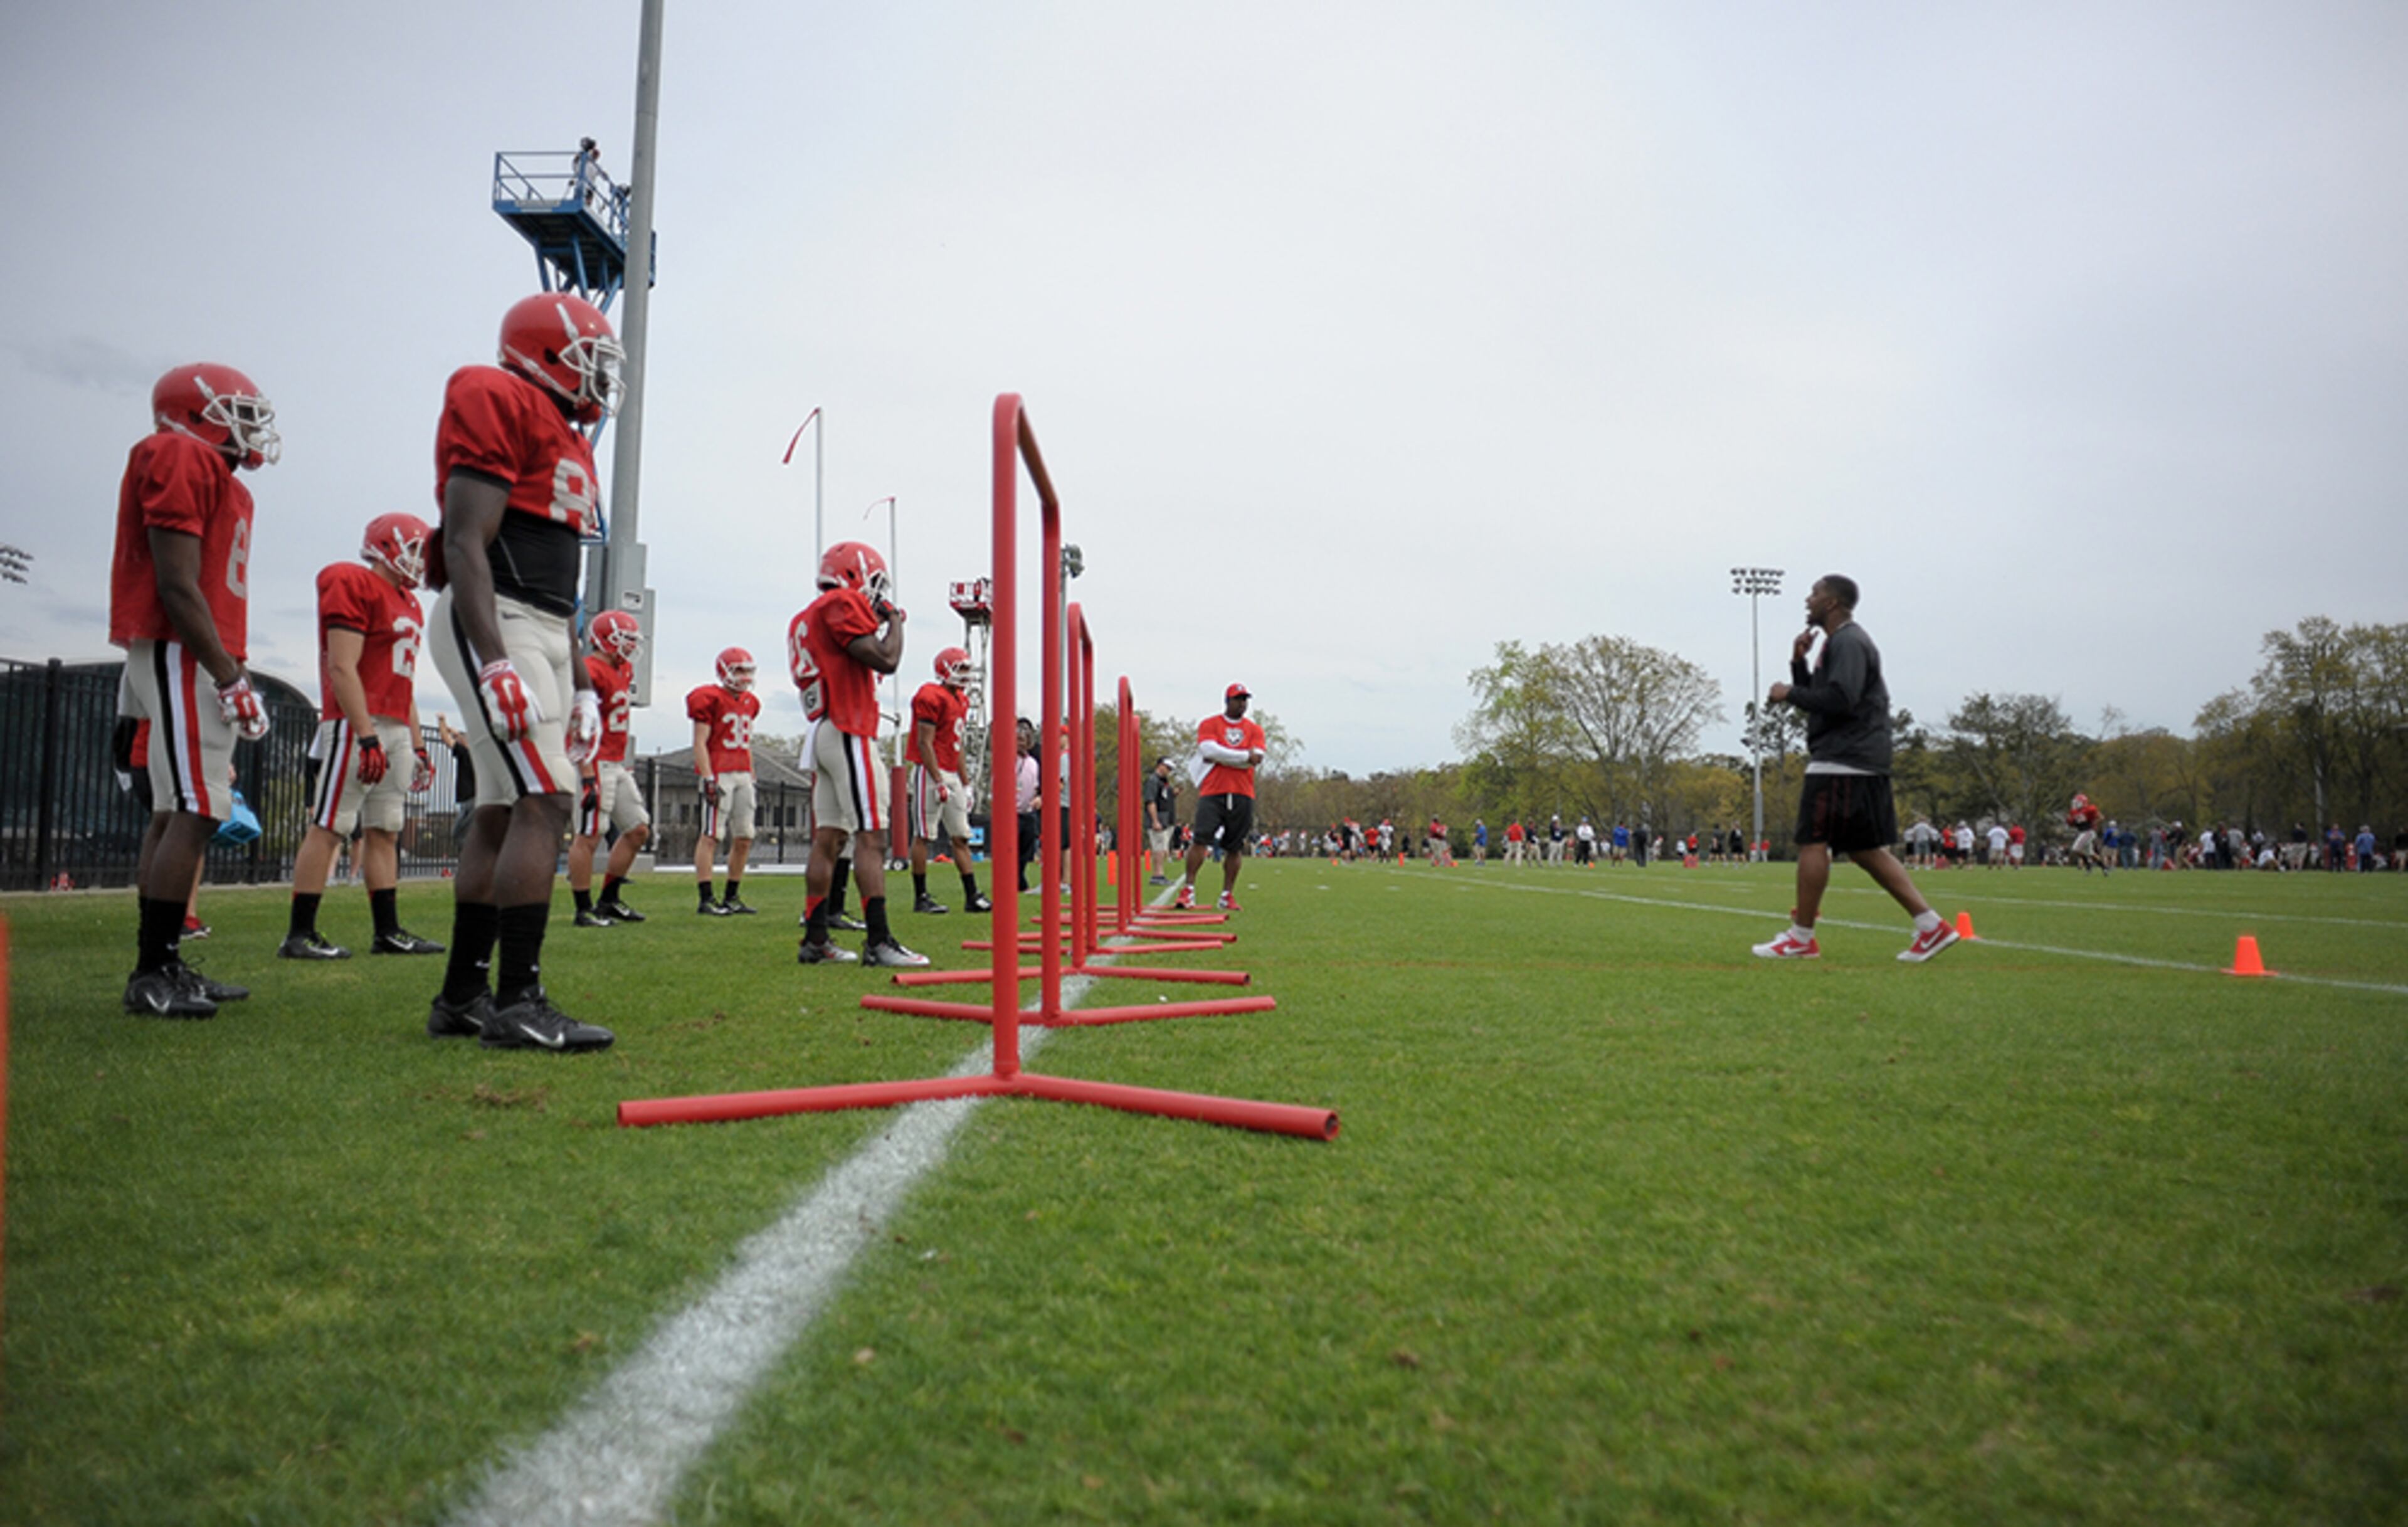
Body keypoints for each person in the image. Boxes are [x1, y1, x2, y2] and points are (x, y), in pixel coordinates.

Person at [422, 292, 620, 1052]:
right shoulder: (495, 391)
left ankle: (464, 994)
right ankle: (517, 999)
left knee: (505, 807)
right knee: (547, 796)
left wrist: (577, 679)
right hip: (494, 613)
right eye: (591, 358)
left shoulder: (568, 435)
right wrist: (496, 655)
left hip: (538, 622)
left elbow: (557, 578)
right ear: (549, 352)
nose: (600, 377)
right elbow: (466, 540)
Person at [110, 362, 281, 1018]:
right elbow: (176, 583)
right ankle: (153, 971)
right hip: (183, 648)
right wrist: (229, 673)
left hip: (195, 650)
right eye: (237, 410)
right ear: (197, 411)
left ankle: (164, 964)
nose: (250, 425)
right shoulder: (178, 451)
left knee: (175, 810)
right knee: (199, 807)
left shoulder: (223, 482)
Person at [1751, 574, 1957, 963]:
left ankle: (1801, 937)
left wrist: (1789, 691)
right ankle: (1932, 926)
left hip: (1843, 758)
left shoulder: (1847, 641)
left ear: (1831, 603)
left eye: (1814, 594)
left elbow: (1841, 699)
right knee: (1865, 850)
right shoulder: (1842, 642)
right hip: (1859, 758)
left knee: (1813, 841)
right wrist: (1799, 666)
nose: (1807, 600)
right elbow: (1825, 697)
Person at [282, 513, 445, 960]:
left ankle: (387, 931)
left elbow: (404, 681)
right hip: (358, 724)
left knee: (386, 829)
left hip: (392, 724)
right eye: (412, 549)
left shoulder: (409, 602)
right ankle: (299, 933)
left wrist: (416, 743)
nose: (418, 561)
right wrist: (366, 733)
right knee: (331, 826)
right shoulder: (353, 582)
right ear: (386, 546)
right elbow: (341, 666)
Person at [792, 540, 924, 966]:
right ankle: (879, 940)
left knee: (829, 837)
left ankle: (815, 938)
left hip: (824, 732)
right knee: (872, 835)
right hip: (849, 729)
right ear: (855, 574)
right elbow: (887, 659)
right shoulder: (843, 602)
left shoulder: (805, 617)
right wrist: (895, 620)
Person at [568, 610, 652, 927]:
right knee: (588, 835)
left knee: (638, 829)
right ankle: (582, 907)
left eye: (632, 640)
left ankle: (609, 900)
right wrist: (587, 774)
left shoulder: (623, 669)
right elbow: (579, 725)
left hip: (616, 762)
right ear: (605, 638)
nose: (630, 646)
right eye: (625, 639)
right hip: (595, 760)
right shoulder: (590, 670)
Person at [904, 645, 991, 914]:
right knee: (924, 835)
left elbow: (957, 744)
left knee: (961, 837)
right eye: (962, 669)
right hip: (929, 771)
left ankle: (972, 896)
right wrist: (938, 779)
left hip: (951, 772)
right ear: (945, 670)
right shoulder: (930, 696)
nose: (966, 675)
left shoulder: (962, 700)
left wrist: (965, 784)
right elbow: (925, 743)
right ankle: (921, 898)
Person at [1175, 683, 1267, 911]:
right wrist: (1244, 756)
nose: (1242, 704)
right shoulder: (1210, 724)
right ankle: (1189, 889)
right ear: (1227, 701)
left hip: (1243, 792)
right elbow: (1209, 751)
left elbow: (1258, 757)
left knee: (1235, 847)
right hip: (1213, 791)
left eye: (1245, 699)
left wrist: (1224, 756)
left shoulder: (1255, 729)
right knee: (1200, 839)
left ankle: (1227, 894)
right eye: (1238, 699)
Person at [688, 647, 761, 915]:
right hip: (719, 772)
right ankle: (706, 898)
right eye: (739, 670)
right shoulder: (709, 698)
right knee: (712, 835)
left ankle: (732, 896)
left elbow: (747, 743)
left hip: (742, 773)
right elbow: (700, 742)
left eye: (748, 670)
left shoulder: (751, 702)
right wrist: (708, 777)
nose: (744, 677)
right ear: (724, 671)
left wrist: (751, 772)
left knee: (745, 836)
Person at [1143, 756, 1178, 884]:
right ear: (1160, 766)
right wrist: (1155, 820)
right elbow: (1151, 801)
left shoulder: (1164, 782)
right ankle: (1157, 875)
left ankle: (1160, 875)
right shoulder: (1153, 781)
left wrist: (1173, 794)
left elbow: (1163, 798)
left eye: (1170, 769)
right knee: (1159, 849)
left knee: (1163, 849)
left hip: (1166, 819)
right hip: (1159, 819)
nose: (1169, 770)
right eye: (1167, 767)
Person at [2066, 794, 2108, 874]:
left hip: (2088, 832)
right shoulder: (2075, 812)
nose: (2075, 804)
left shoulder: (2089, 809)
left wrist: (2093, 823)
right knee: (2091, 854)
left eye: (2077, 802)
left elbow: (2101, 817)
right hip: (2082, 832)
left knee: (2076, 849)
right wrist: (2071, 822)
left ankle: (2088, 865)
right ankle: (2104, 868)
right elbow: (2075, 824)